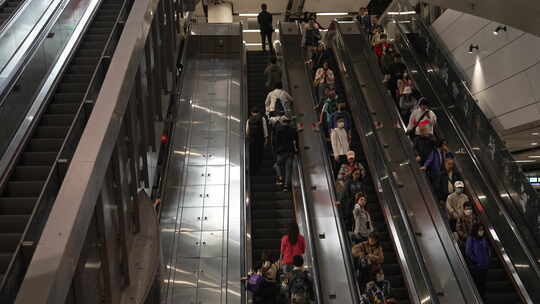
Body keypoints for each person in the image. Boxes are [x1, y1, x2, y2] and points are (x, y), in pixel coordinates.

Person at [273, 116, 298, 190]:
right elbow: (295, 140)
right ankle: (286, 186)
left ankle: (280, 177)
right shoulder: (292, 130)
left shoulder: (279, 130)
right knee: (288, 169)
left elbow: (275, 141)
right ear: (288, 122)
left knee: (276, 165)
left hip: (281, 152)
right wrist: (297, 149)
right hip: (290, 151)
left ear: (282, 122)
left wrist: (275, 150)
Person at [465, 224, 490, 300]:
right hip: (476, 267)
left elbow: (487, 250)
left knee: (483, 285)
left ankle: (482, 299)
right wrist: (476, 260)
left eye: (482, 230)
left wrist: (488, 259)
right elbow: (468, 252)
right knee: (477, 285)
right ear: (475, 230)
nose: (481, 231)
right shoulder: (471, 239)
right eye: (480, 230)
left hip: (484, 266)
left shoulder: (484, 239)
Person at [246, 107, 269, 174]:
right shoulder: (262, 118)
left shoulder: (249, 120)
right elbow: (265, 128)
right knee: (259, 153)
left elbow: (247, 131)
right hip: (260, 139)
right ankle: (259, 168)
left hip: (252, 140)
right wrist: (266, 138)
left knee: (253, 154)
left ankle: (252, 169)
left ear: (251, 113)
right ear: (258, 112)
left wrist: (248, 138)